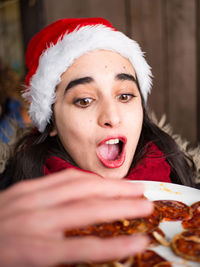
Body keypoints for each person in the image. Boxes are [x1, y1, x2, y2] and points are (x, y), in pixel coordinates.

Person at [0, 17, 197, 266]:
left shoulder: (190, 201)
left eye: (125, 95)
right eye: (84, 100)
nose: (112, 117)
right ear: (51, 123)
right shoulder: (11, 220)